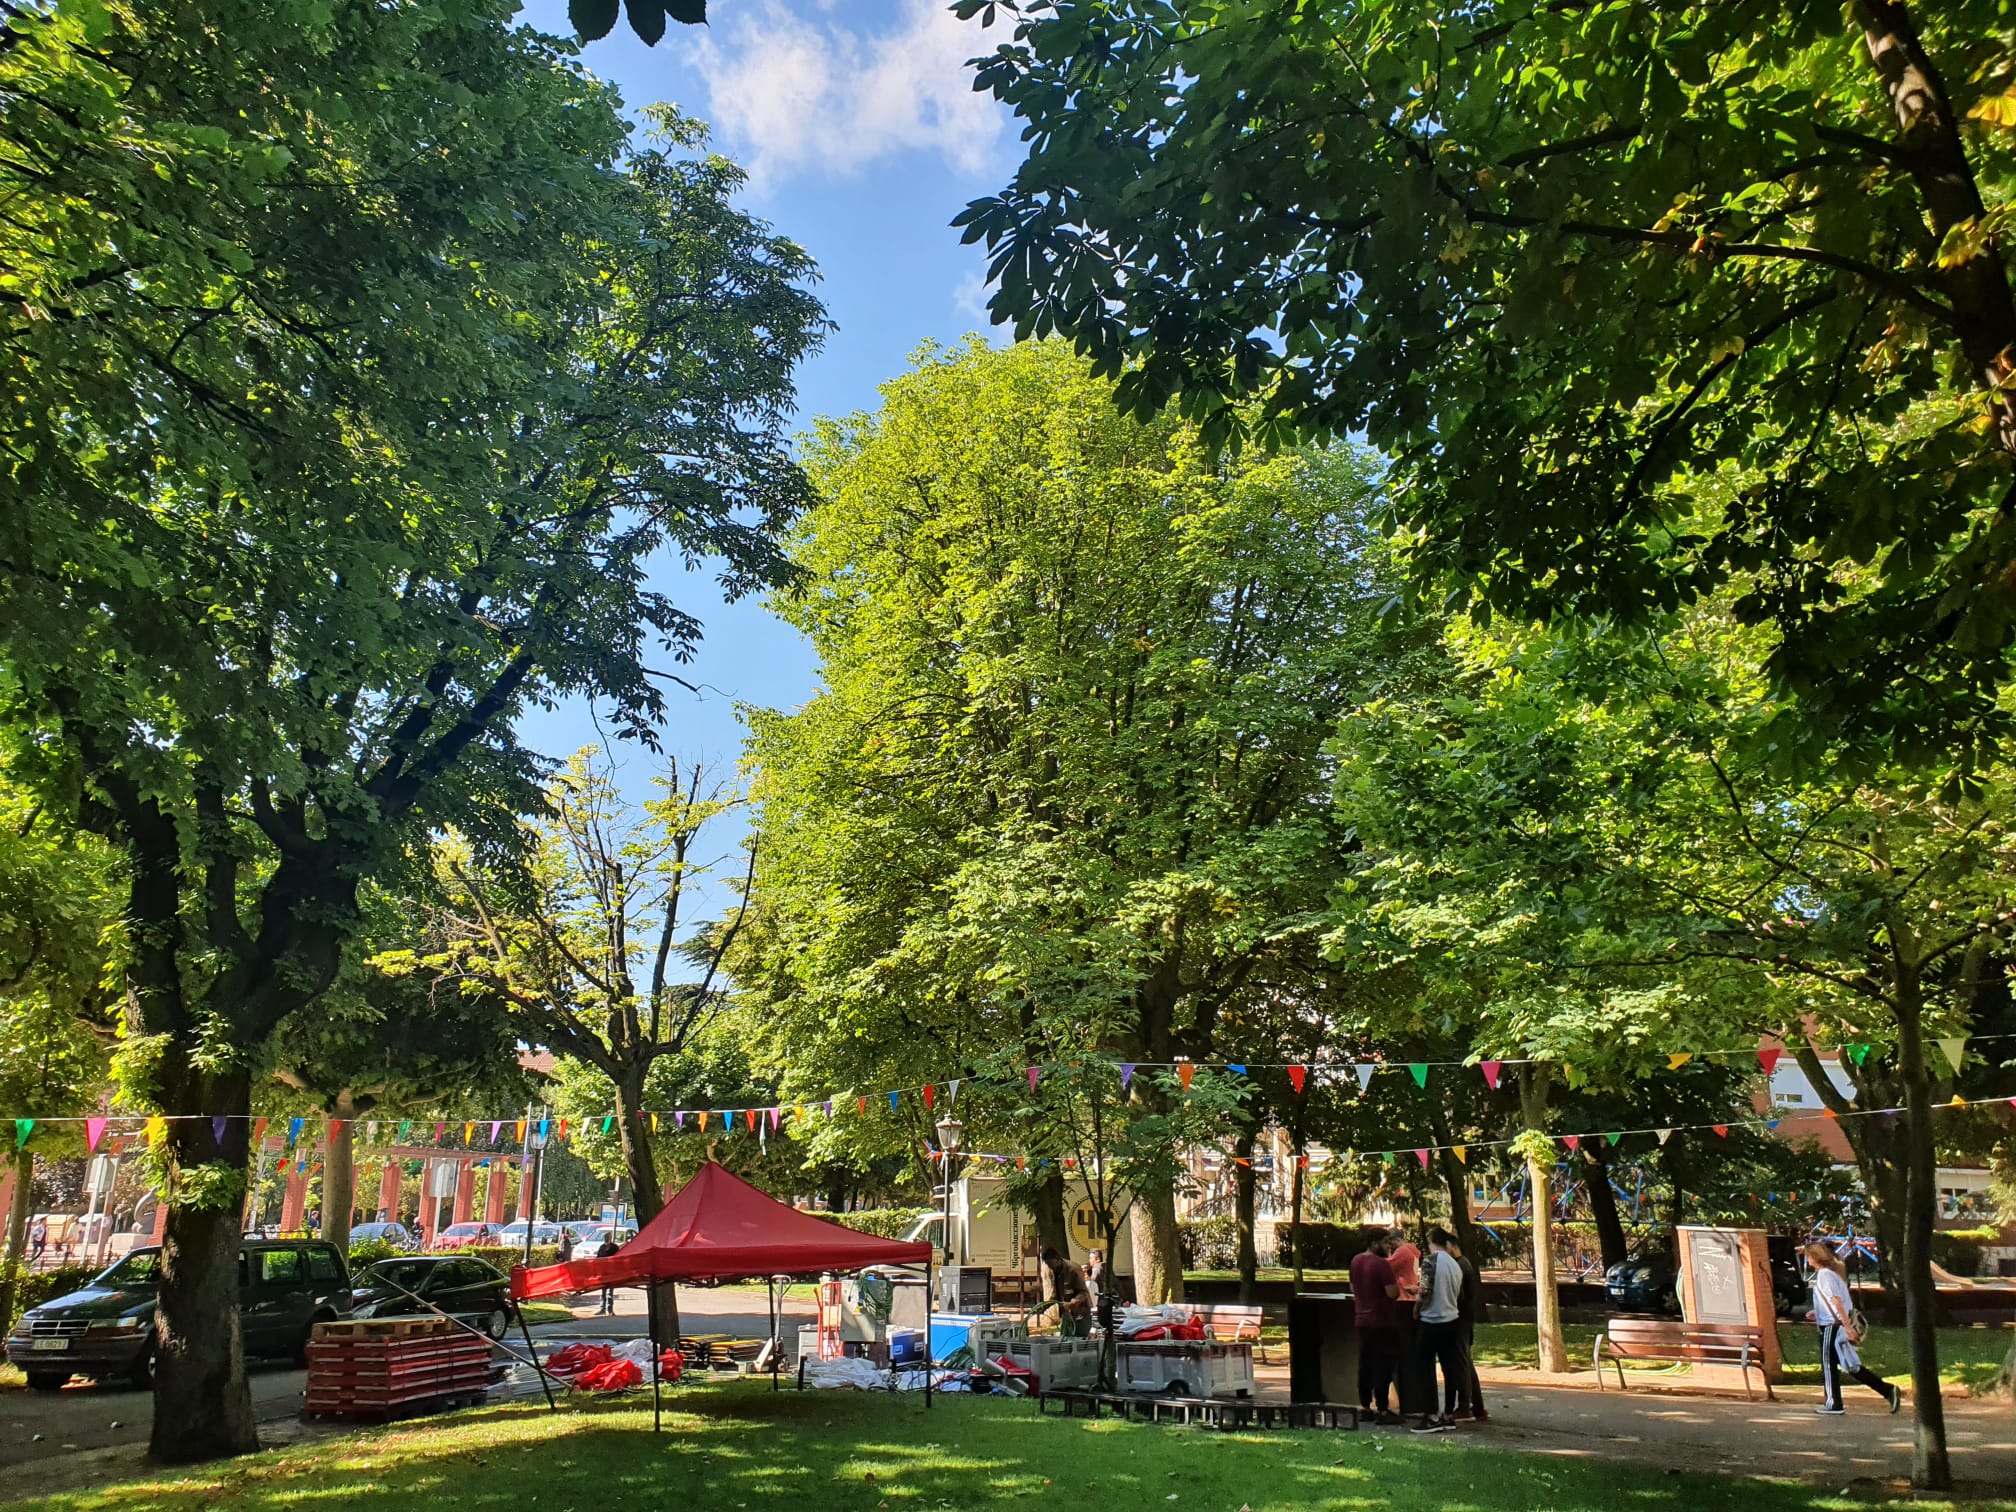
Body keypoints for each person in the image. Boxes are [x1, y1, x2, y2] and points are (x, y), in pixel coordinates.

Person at [1805, 1242, 1899, 1415]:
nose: (1807, 1259)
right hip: (1834, 1323)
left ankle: (1833, 1403)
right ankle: (1886, 1390)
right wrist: (1817, 1313)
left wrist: (1847, 1327)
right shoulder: (1832, 1274)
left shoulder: (1825, 1275)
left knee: (1828, 1364)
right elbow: (1835, 1301)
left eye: (1808, 1256)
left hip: (1831, 1327)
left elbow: (1836, 1301)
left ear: (1815, 1257)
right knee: (1850, 1365)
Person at [1411, 1228, 1471, 1432]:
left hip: (1432, 1321)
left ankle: (1430, 1415)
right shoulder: (1455, 1264)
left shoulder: (1430, 1261)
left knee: (1424, 1367)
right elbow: (1460, 1295)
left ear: (1431, 1243)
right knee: (1450, 1368)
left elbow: (1425, 1289)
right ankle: (1448, 1413)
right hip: (1451, 1320)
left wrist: (1417, 1308)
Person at [1348, 1231, 1402, 1422]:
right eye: (1385, 1242)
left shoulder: (1355, 1261)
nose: (1389, 1246)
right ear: (1373, 1243)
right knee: (1383, 1365)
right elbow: (1392, 1293)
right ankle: (1382, 1408)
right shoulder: (1381, 1265)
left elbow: (1353, 1288)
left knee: (1366, 1363)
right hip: (1382, 1321)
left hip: (1362, 1320)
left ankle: (1364, 1405)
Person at [1445, 1233, 1487, 1422]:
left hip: (1460, 1319)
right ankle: (1477, 1406)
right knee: (1466, 1363)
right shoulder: (1464, 1264)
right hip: (1465, 1318)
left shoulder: (1460, 1266)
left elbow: (1459, 1295)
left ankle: (1465, 1406)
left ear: (1451, 1245)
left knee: (1461, 1364)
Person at [1042, 1246, 1092, 1337]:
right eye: (1050, 1267)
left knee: (1079, 1341)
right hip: (1066, 1315)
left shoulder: (1073, 1270)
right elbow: (1053, 1294)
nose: (1054, 1269)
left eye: (1055, 1267)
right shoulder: (1051, 1271)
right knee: (1066, 1341)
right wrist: (1044, 1306)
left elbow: (1083, 1293)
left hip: (1081, 1314)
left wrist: (1072, 1303)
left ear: (1058, 1260)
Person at [1388, 1232, 1421, 1301]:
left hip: (1403, 1294)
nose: (1390, 1246)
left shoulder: (1403, 1250)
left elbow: (1387, 1266)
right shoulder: (1412, 1251)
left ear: (1397, 1240)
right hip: (1410, 1292)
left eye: (1391, 1243)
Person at [594, 1232, 620, 1315]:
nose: (606, 1238)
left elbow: (617, 1258)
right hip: (603, 1272)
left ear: (610, 1237)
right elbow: (598, 1258)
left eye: (608, 1237)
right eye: (605, 1237)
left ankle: (610, 1310)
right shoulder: (601, 1247)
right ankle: (602, 1309)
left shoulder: (615, 1247)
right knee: (603, 1291)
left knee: (610, 1292)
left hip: (611, 1272)